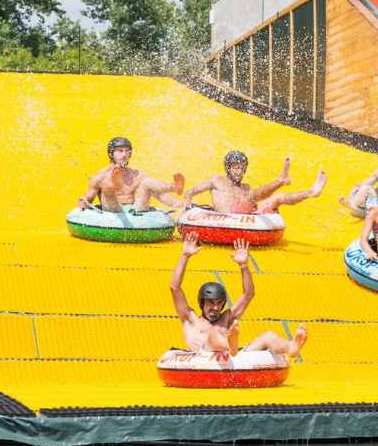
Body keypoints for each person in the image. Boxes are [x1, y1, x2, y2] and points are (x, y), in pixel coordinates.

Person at [170, 231, 307, 359]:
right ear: (202, 303)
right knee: (211, 333)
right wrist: (185, 256)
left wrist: (244, 265)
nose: (216, 308)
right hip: (204, 356)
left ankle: (291, 347)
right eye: (211, 303)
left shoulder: (227, 317)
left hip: (233, 358)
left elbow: (248, 294)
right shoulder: (190, 318)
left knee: (269, 336)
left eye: (219, 303)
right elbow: (175, 288)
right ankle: (230, 344)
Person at [183, 151, 326, 214]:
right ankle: (280, 180)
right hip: (226, 216)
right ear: (228, 168)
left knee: (278, 197)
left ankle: (311, 192)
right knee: (251, 197)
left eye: (242, 168)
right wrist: (188, 207)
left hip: (244, 216)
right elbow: (191, 192)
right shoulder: (217, 180)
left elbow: (255, 200)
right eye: (235, 168)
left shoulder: (245, 187)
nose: (239, 172)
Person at [78, 136, 185, 212]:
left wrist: (179, 204)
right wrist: (84, 202)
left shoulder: (136, 174)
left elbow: (160, 194)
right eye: (120, 151)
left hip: (134, 211)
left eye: (127, 151)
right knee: (108, 186)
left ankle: (173, 187)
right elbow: (88, 199)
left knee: (147, 182)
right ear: (111, 153)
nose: (124, 155)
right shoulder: (101, 176)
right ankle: (115, 183)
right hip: (113, 210)